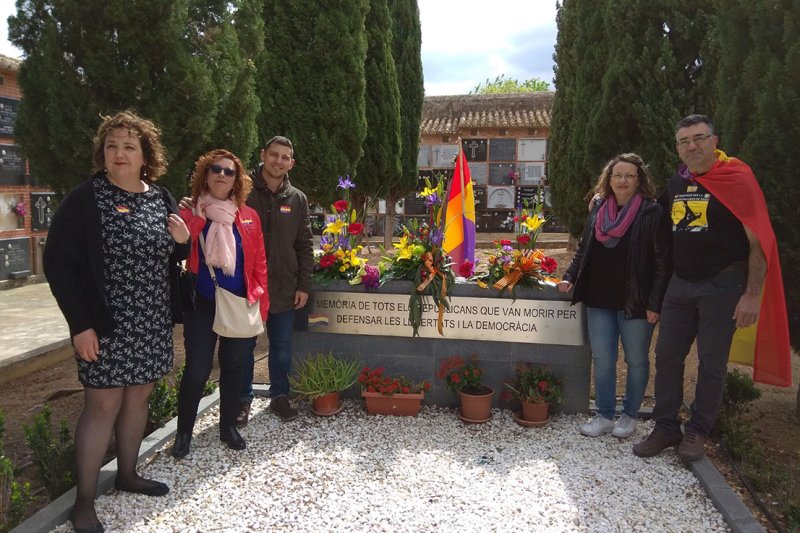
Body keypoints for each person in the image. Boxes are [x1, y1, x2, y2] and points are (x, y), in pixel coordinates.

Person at [44, 111, 190, 533]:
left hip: (150, 321)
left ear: (146, 154)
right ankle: (84, 502)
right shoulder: (86, 199)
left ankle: (127, 474)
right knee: (101, 406)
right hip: (104, 326)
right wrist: (80, 325)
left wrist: (182, 244)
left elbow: (170, 258)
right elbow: (59, 264)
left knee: (137, 400)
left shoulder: (160, 197)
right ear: (102, 154)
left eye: (129, 146)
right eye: (112, 146)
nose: (119, 153)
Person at [633, 114, 791, 463]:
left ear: (714, 141)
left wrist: (751, 294)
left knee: (712, 362)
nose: (692, 146)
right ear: (678, 147)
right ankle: (665, 426)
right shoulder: (677, 183)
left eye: (699, 138)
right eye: (684, 141)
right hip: (681, 283)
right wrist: (602, 201)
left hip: (724, 283)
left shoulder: (738, 179)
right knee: (668, 356)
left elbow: (759, 242)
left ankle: (698, 431)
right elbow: (654, 219)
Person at [558, 153, 671, 439]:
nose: (622, 180)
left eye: (629, 175)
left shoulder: (651, 211)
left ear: (638, 181)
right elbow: (584, 248)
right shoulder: (598, 208)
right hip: (599, 298)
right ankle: (605, 414)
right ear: (609, 179)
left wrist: (655, 303)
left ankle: (630, 415)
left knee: (636, 359)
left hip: (635, 302)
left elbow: (661, 262)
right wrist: (569, 276)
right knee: (604, 359)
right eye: (617, 175)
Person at [171, 149, 268, 459]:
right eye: (216, 169)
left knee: (234, 368)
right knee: (198, 369)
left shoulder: (248, 215)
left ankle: (228, 427)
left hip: (239, 302)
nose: (222, 175)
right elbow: (179, 251)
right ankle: (184, 431)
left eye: (229, 171)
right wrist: (197, 221)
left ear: (237, 179)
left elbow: (259, 264)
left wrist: (259, 303)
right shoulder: (189, 213)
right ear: (205, 174)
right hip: (202, 303)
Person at [237, 136, 314, 424]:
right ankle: (242, 399)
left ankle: (280, 396)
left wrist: (303, 284)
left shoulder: (297, 199)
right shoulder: (241, 190)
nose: (278, 161)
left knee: (281, 346)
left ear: (291, 163)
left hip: (283, 286)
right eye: (274, 155)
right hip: (247, 286)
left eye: (285, 157)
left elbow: (304, 245)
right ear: (263, 154)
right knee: (245, 346)